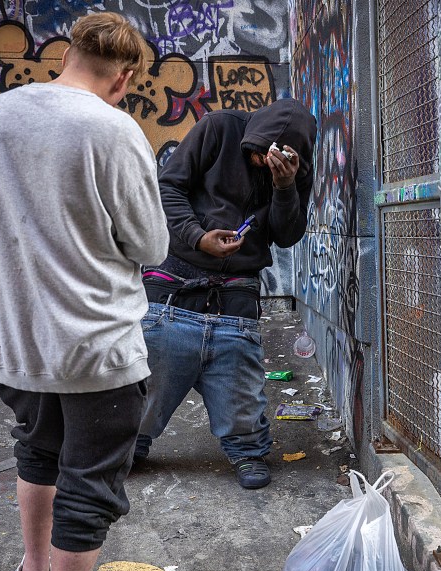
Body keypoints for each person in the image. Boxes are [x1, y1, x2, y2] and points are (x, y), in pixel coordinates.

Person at [0, 13, 168, 571]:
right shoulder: (110, 128)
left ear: (67, 53)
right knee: (93, 483)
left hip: (15, 343)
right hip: (95, 346)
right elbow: (151, 246)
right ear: (125, 76)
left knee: (37, 448)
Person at [134, 98, 317, 489]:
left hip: (236, 290)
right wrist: (198, 238)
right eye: (255, 155)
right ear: (251, 135)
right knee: (148, 378)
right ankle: (129, 444)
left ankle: (247, 450)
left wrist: (284, 187)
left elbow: (287, 235)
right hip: (175, 278)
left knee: (240, 389)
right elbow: (166, 188)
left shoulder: (294, 167)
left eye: (269, 163)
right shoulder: (219, 128)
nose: (260, 165)